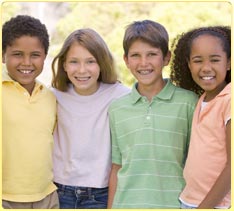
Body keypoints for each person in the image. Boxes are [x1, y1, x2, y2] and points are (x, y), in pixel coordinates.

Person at [107, 20, 198, 209]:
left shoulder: (189, 103)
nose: (143, 63)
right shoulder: (117, 109)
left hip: (174, 204)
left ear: (166, 58)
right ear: (126, 60)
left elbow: (197, 161)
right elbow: (117, 167)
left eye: (152, 54)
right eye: (135, 55)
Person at [51, 28, 130, 209]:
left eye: (90, 61)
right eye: (73, 62)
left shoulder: (120, 95)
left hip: (100, 194)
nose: (82, 70)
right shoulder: (53, 96)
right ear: (63, 65)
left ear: (102, 63)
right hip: (59, 191)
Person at [170, 26, 231, 209]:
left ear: (228, 63)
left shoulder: (229, 99)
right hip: (189, 200)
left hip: (214, 205)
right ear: (188, 64)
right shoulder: (202, 99)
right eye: (198, 60)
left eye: (215, 60)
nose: (206, 68)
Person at [2, 15, 59, 208]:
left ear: (44, 56)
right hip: (6, 198)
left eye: (35, 55)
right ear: (3, 55)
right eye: (17, 54)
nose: (27, 62)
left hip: (47, 196)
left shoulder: (49, 97)